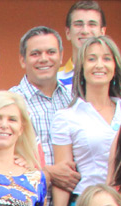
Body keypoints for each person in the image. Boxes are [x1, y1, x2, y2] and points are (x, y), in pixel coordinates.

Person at [51, 35, 121, 206]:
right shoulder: (67, 116)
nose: (99, 65)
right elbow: (63, 175)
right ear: (81, 67)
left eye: (106, 58)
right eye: (92, 59)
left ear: (116, 67)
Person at [10, 27, 77, 189]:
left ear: (61, 57)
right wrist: (48, 173)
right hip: (29, 204)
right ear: (22, 60)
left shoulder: (74, 100)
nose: (44, 59)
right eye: (35, 54)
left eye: (51, 52)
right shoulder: (10, 103)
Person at [56, 1, 121, 98]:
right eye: (78, 24)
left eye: (92, 24)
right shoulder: (56, 78)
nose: (85, 31)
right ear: (68, 32)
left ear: (102, 32)